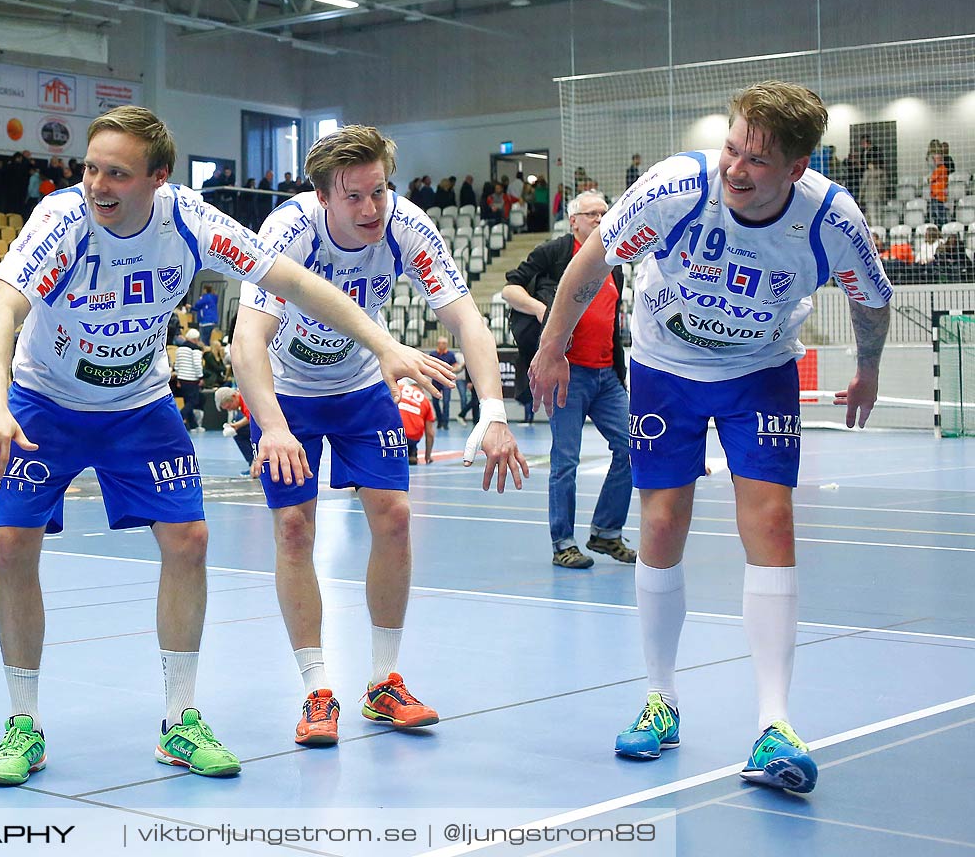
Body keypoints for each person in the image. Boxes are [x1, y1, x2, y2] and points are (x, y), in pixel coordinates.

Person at [0, 106, 456, 788]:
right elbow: (2, 307)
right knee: (15, 545)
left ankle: (180, 720)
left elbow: (299, 283)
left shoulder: (189, 219)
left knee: (189, 540)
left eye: (118, 173)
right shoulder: (62, 220)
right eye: (91, 168)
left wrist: (384, 343)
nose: (98, 185)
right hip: (47, 398)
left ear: (158, 179)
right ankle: (23, 722)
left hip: (139, 402)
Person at [530, 81, 892, 795]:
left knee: (773, 518)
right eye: (732, 146)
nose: (736, 167)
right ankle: (661, 699)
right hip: (666, 365)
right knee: (661, 523)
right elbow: (593, 259)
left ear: (796, 168)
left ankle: (774, 724)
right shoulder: (675, 189)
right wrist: (550, 349)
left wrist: (869, 368)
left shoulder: (830, 222)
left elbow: (871, 298)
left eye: (758, 160)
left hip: (760, 371)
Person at [231, 125, 525, 748]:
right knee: (293, 529)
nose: (371, 209)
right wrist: (274, 427)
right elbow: (246, 341)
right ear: (323, 197)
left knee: (394, 517)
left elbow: (467, 317)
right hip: (287, 391)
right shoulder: (287, 234)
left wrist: (494, 410)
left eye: (379, 192)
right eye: (354, 198)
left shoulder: (407, 227)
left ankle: (383, 682)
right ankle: (315, 688)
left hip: (363, 384)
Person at [503, 189, 635, 569]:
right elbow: (510, 288)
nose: (599, 219)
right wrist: (543, 309)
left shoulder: (615, 261)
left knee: (632, 448)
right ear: (574, 219)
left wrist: (617, 372)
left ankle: (606, 533)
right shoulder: (555, 253)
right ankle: (563, 542)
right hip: (568, 375)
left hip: (606, 375)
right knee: (566, 461)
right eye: (592, 214)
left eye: (604, 213)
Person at [395, 378, 435, 464]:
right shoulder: (425, 400)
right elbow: (430, 433)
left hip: (394, 434)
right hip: (412, 437)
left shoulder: (398, 389)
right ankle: (412, 452)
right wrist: (427, 456)